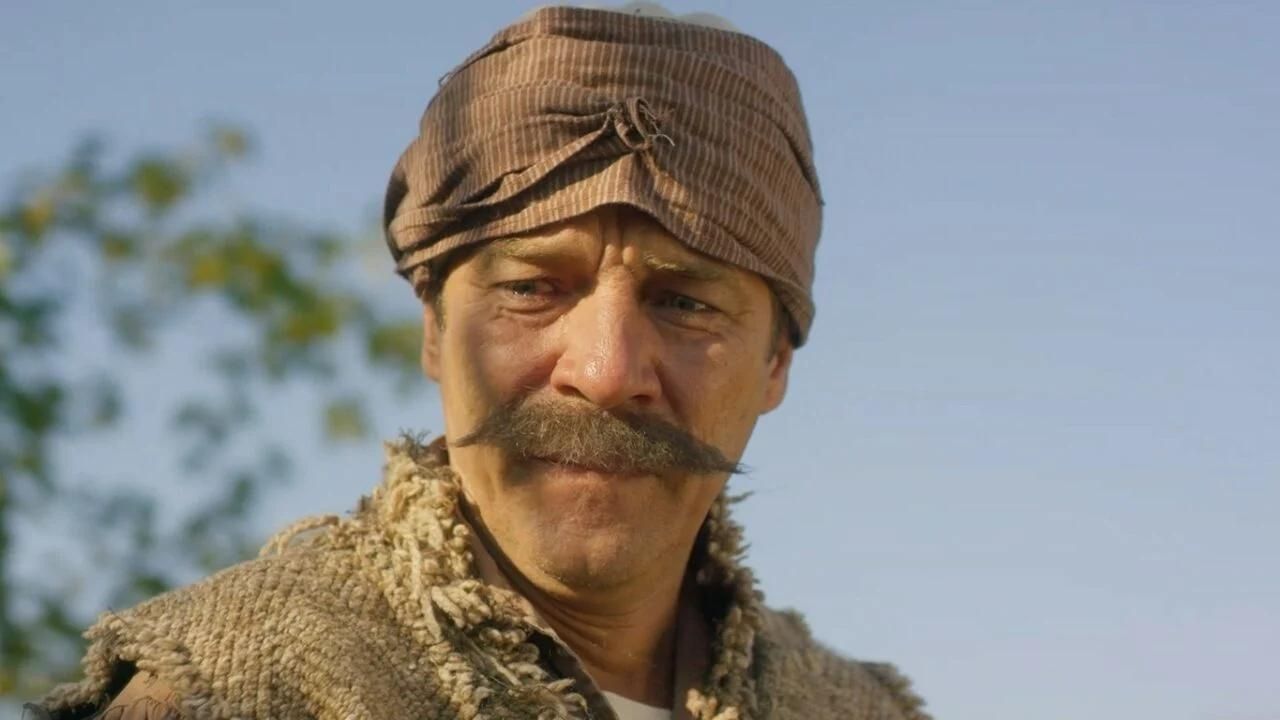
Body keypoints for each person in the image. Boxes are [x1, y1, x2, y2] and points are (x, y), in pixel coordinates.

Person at [34, 4, 929, 719]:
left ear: (776, 365)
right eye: (534, 288)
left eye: (686, 303)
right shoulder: (230, 686)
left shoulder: (850, 708)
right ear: (434, 329)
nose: (605, 372)